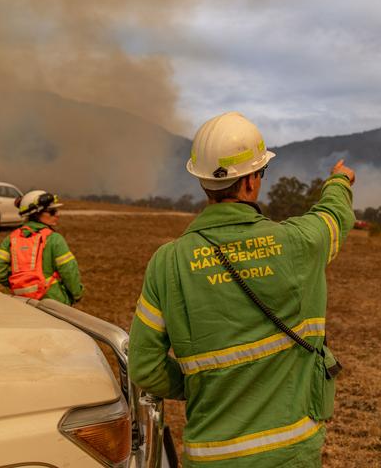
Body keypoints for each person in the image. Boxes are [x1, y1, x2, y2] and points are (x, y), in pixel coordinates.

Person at [128, 111, 355, 467]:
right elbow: (332, 217)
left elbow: (144, 368)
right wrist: (339, 182)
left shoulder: (167, 263)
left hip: (211, 458)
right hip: (291, 453)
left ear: (203, 183)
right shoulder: (298, 243)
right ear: (251, 181)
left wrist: (197, 385)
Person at [0, 190, 83, 305]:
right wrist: (76, 294)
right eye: (52, 211)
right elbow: (69, 271)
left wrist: (18, 284)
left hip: (22, 302)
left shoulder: (11, 239)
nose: (57, 214)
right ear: (36, 214)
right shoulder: (54, 239)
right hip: (53, 301)